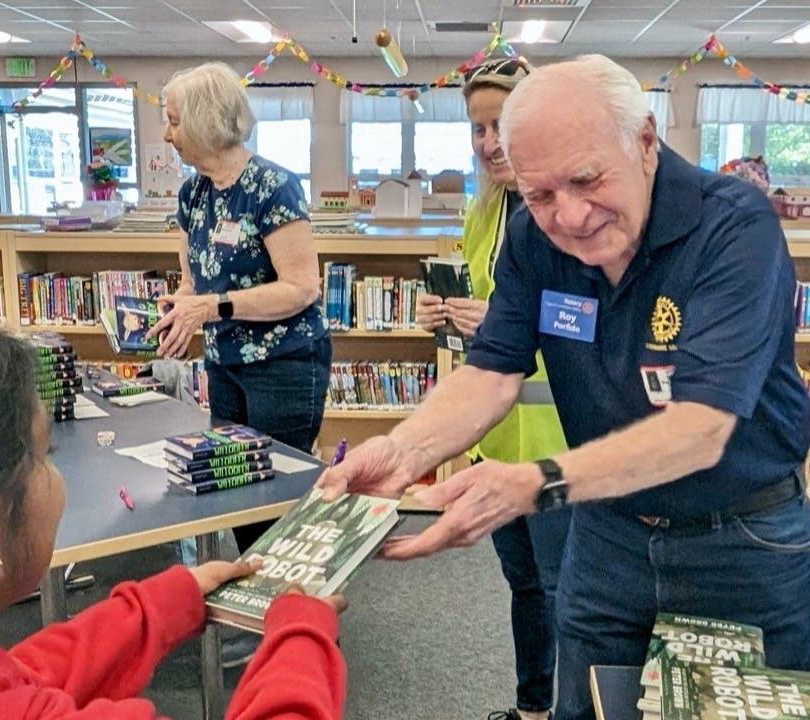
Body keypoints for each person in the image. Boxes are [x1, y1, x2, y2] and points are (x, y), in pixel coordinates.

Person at [319, 54, 810, 720]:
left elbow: (701, 427)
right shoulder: (532, 235)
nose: (570, 217)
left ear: (644, 142)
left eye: (585, 180)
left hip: (742, 542)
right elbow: (492, 371)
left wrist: (534, 481)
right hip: (608, 535)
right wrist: (405, 452)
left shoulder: (734, 228)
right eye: (541, 193)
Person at [0, 293, 347, 719]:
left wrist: (161, 606)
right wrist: (300, 637)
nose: (54, 469)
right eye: (45, 455)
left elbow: (22, 676)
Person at [414, 57, 569, 720]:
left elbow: (590, 320)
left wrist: (512, 324)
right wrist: (443, 320)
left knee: (568, 591)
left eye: (500, 123)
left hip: (560, 439)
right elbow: (479, 315)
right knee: (526, 584)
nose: (487, 142)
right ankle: (533, 708)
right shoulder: (487, 212)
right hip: (497, 438)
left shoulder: (571, 209)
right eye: (478, 128)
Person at [150, 63, 331, 550]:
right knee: (238, 493)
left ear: (206, 121)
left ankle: (296, 611)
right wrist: (177, 308)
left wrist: (210, 308)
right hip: (225, 364)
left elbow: (301, 288)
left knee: (278, 497)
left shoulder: (273, 187)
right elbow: (193, 281)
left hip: (284, 364)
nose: (166, 135)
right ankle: (259, 601)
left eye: (173, 121)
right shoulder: (192, 194)